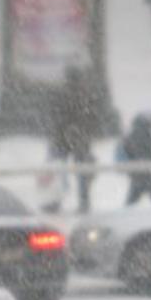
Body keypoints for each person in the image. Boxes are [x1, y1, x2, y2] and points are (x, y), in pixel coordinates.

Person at [48, 65, 98, 213]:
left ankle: (55, 201)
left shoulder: (61, 93)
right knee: (81, 172)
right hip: (80, 138)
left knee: (58, 171)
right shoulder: (86, 94)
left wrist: (61, 129)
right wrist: (85, 131)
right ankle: (84, 202)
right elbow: (93, 117)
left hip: (62, 137)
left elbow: (56, 115)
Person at [119, 110, 151, 205]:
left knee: (134, 198)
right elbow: (141, 152)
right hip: (143, 170)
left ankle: (126, 214)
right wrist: (146, 165)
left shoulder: (139, 131)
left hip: (141, 170)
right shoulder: (143, 132)